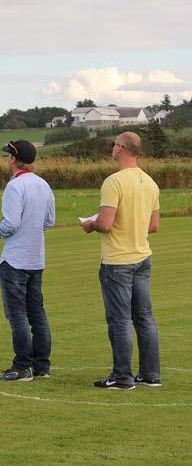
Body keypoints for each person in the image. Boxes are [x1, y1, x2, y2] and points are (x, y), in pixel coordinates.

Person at [81, 131, 161, 390]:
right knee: (145, 317)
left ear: (121, 149)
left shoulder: (113, 182)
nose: (112, 148)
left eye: (114, 144)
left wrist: (91, 224)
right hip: (142, 256)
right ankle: (150, 375)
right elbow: (154, 225)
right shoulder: (150, 182)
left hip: (117, 260)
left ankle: (122, 376)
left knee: (120, 320)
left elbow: (105, 223)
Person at [0, 140, 56, 381]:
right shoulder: (43, 185)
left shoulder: (14, 187)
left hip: (15, 259)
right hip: (36, 258)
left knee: (18, 315)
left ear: (14, 159)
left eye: (8, 156)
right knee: (37, 313)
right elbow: (48, 222)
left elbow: (11, 224)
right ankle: (41, 365)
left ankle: (23, 366)